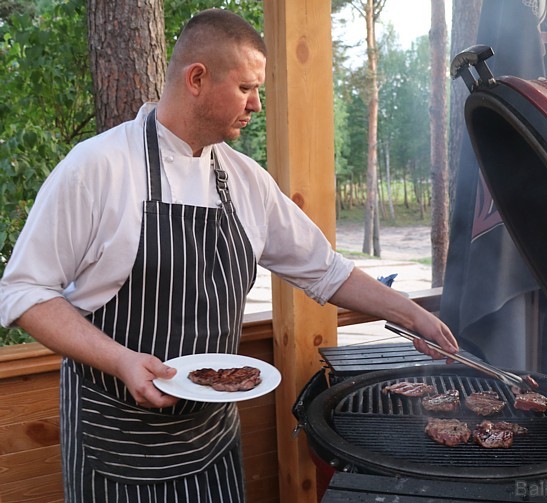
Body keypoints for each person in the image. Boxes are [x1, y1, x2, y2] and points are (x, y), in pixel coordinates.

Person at [0, 9, 457, 502]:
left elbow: (326, 270)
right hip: (117, 443)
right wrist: (122, 361)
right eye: (246, 88)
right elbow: (24, 292)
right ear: (197, 78)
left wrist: (413, 315)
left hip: (213, 441)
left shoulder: (244, 180)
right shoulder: (97, 168)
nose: (257, 105)